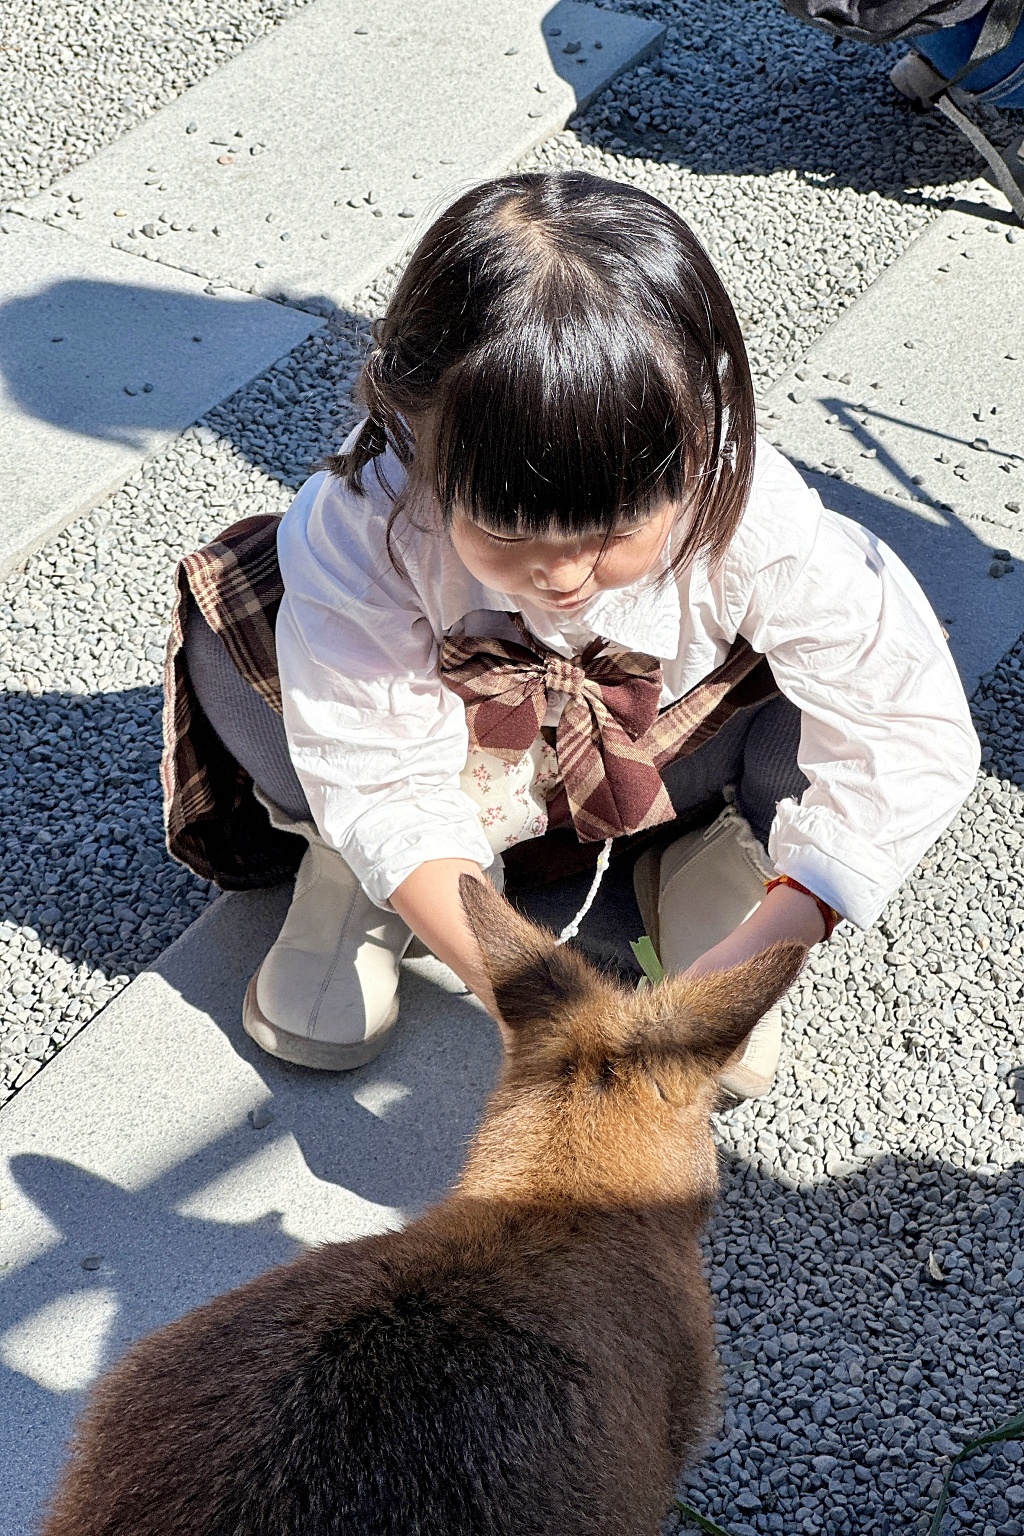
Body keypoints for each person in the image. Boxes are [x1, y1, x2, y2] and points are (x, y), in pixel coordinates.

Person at [163, 170, 979, 1102]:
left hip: (672, 765)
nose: (561, 577)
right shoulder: (366, 518)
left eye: (612, 536)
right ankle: (367, 870)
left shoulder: (751, 516)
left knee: (844, 674)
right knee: (245, 632)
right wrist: (529, 998)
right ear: (412, 430)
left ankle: (722, 862)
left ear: (699, 432)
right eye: (509, 536)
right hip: (448, 770)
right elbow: (375, 764)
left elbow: (905, 725)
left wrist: (762, 951)